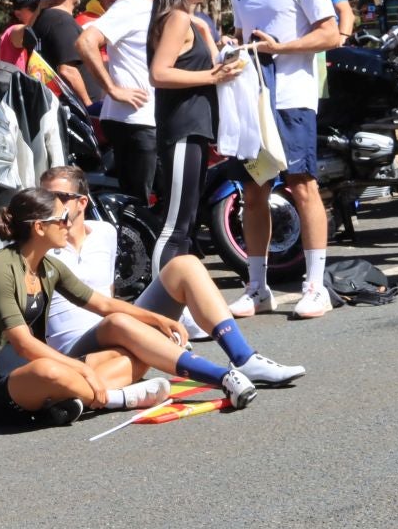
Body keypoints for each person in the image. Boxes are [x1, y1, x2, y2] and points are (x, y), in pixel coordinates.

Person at [0, 188, 256, 425]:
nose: (69, 224)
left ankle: (73, 400)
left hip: (50, 373)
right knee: (49, 369)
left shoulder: (48, 267)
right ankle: (117, 398)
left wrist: (157, 320)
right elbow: (23, 345)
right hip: (2, 390)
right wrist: (80, 369)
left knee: (134, 355)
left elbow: (102, 304)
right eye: (62, 218)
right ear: (40, 228)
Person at [35, 165, 304, 387]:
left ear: (82, 202)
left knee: (185, 265)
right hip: (76, 347)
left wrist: (148, 323)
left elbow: (108, 292)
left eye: (58, 197)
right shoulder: (38, 243)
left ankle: (244, 359)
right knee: (117, 320)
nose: (49, 204)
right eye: (44, 196)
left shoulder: (104, 232)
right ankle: (222, 378)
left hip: (117, 330)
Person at [222, 0, 342, 318]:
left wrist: (281, 48)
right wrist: (232, 48)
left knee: (302, 184)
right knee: (253, 190)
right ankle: (257, 287)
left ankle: (315, 286)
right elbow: (243, 36)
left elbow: (330, 34)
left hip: (292, 96)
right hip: (252, 99)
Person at [146, 0, 242, 271]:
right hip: (183, 129)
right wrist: (212, 76)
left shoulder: (188, 20)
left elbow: (211, 65)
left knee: (186, 224)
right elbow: (159, 74)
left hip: (195, 128)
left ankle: (177, 294)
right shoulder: (176, 18)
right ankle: (160, 293)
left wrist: (215, 45)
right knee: (176, 225)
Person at [75, 0, 169, 202]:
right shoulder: (131, 6)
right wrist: (113, 89)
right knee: (139, 202)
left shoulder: (162, 7)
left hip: (155, 119)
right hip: (135, 120)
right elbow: (85, 42)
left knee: (165, 201)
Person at [29, 0, 94, 105]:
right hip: (74, 111)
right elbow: (67, 71)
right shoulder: (61, 21)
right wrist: (88, 105)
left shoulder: (44, 19)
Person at [0, 0, 42, 71]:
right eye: (35, 7)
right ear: (18, 14)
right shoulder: (12, 32)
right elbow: (26, 31)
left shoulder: (40, 30)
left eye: (40, 6)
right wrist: (42, 7)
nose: (40, 11)